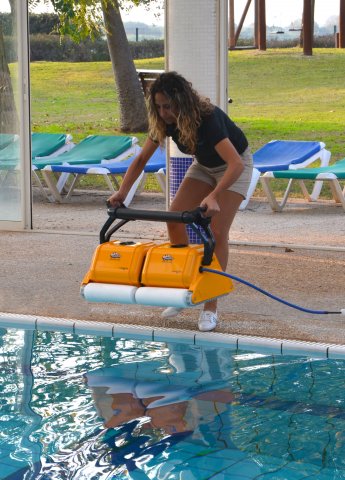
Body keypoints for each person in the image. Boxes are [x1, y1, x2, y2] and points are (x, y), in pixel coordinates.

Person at [108, 71, 253, 332]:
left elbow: (235, 163)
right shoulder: (164, 122)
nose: (163, 113)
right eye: (159, 107)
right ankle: (182, 289)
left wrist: (214, 195)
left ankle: (210, 306)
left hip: (234, 168)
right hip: (204, 166)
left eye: (168, 106)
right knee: (175, 218)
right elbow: (141, 159)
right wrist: (122, 193)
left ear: (182, 102)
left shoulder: (207, 118)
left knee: (217, 233)